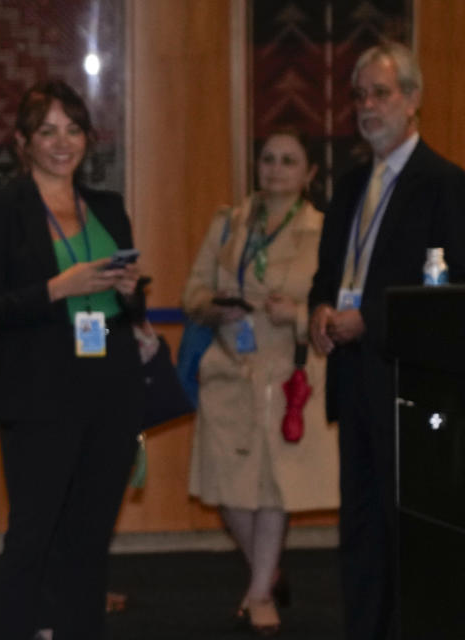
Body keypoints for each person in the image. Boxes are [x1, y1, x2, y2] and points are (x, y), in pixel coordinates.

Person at [0, 80, 145, 640]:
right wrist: (56, 287)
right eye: (47, 130)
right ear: (24, 140)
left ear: (88, 138)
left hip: (109, 392)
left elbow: (126, 304)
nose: (62, 142)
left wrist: (131, 289)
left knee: (89, 542)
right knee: (31, 539)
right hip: (39, 396)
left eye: (72, 129)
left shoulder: (109, 208)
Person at [308, 42, 465, 640]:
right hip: (354, 382)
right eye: (360, 95)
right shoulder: (348, 187)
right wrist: (320, 311)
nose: (368, 106)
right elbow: (327, 276)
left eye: (382, 93)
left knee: (410, 532)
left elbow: (452, 295)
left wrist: (370, 319)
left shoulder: (443, 184)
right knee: (361, 531)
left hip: (412, 390)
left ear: (414, 99)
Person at [183, 128, 339, 635]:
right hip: (229, 370)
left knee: (274, 488)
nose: (275, 169)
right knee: (228, 491)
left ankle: (258, 594)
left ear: (310, 172)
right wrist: (213, 308)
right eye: (268, 159)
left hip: (288, 372)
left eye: (289, 161)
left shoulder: (326, 230)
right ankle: (268, 569)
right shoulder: (230, 223)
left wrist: (296, 314)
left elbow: (337, 309)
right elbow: (193, 291)